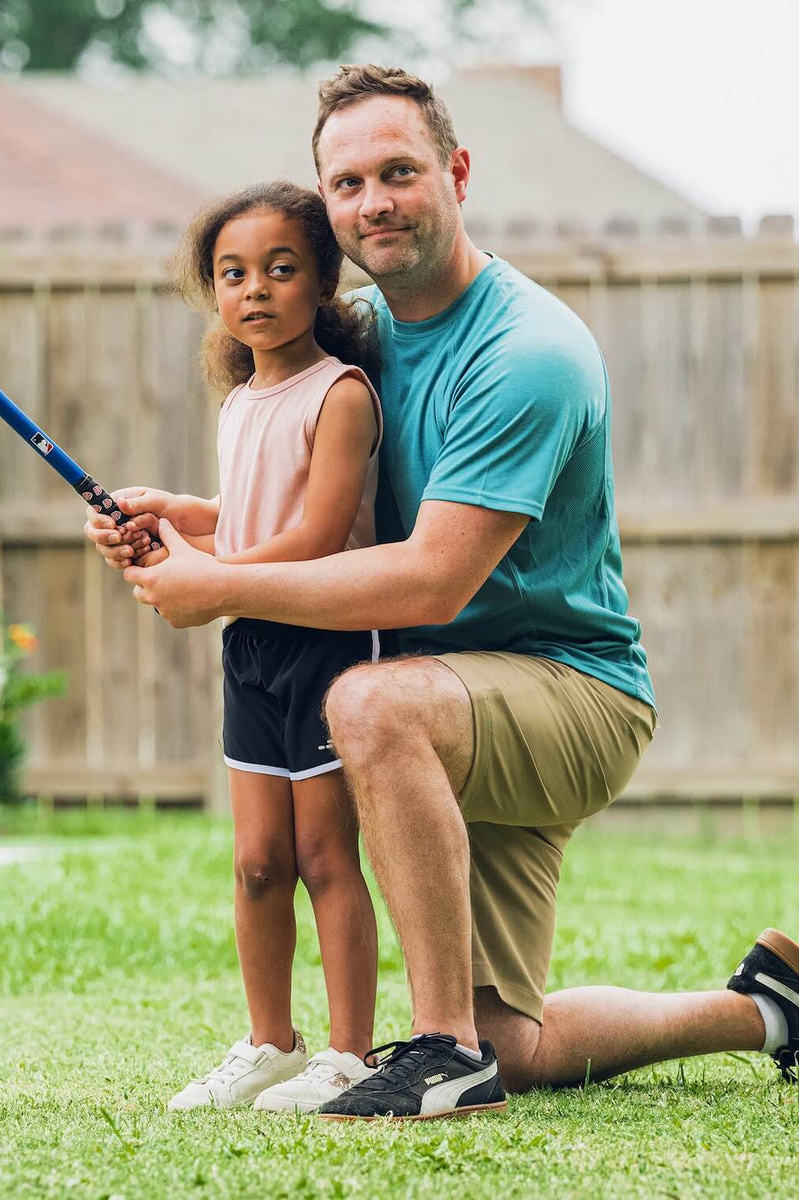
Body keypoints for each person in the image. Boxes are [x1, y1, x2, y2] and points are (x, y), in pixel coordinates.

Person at [88, 65, 799, 1121]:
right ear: (326, 206)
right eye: (347, 183)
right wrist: (189, 517)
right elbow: (321, 504)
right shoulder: (357, 330)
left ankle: (438, 1056)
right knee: (520, 1040)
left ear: (456, 173)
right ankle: (768, 1011)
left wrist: (219, 587)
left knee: (371, 701)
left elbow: (431, 574)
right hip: (449, 707)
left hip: (568, 692)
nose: (374, 201)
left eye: (399, 172)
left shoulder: (529, 351)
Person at [108, 181, 387, 1113]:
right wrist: (179, 516)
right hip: (253, 647)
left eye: (280, 269)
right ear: (214, 291)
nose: (255, 289)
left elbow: (315, 535)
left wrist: (205, 567)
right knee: (257, 861)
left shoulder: (340, 393)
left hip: (326, 644)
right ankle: (272, 1041)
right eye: (233, 273)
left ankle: (349, 1055)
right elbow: (254, 511)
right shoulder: (241, 400)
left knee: (323, 857)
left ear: (322, 283)